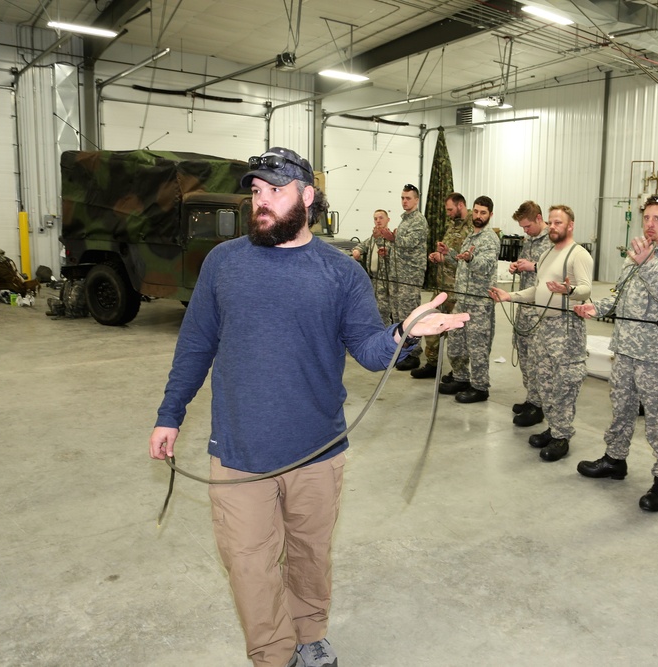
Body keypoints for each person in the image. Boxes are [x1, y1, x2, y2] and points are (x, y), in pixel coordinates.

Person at [148, 147, 468, 667]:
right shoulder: (223, 264)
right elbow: (195, 345)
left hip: (318, 451)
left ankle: (309, 630)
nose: (262, 202)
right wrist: (170, 414)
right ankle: (273, 654)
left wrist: (401, 334)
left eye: (275, 190)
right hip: (239, 450)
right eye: (256, 192)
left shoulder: (341, 274)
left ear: (308, 197)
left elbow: (367, 349)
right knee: (249, 565)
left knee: (309, 555)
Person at [574, 195, 658, 512]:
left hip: (654, 356)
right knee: (621, 409)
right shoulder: (635, 255)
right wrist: (595, 307)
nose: (650, 223)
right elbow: (619, 296)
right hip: (624, 349)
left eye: (657, 218)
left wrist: (647, 263)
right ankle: (615, 459)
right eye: (646, 217)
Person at [490, 205, 593, 461]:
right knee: (545, 381)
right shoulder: (547, 254)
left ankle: (562, 436)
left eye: (559, 222)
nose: (553, 226)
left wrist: (567, 290)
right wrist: (509, 296)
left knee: (564, 385)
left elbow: (586, 290)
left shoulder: (577, 254)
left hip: (566, 329)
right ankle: (553, 428)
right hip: (543, 328)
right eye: (551, 222)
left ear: (570, 226)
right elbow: (537, 291)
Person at [438, 196, 500, 403]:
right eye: (476, 211)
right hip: (462, 300)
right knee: (456, 342)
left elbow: (485, 266)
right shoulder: (471, 237)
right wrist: (449, 254)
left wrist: (471, 258)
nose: (478, 216)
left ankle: (480, 387)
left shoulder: (490, 239)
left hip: (479, 303)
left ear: (490, 215)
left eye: (483, 213)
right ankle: (461, 377)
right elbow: (462, 265)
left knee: (477, 347)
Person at [412, 193, 473, 380]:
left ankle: (459, 373)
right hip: (442, 287)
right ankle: (432, 364)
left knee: (456, 333)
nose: (448, 213)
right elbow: (447, 252)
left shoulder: (472, 229)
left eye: (450, 209)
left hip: (458, 288)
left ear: (461, 205)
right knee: (430, 320)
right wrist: (437, 255)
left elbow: (467, 260)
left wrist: (446, 256)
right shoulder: (452, 225)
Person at [505, 201, 553, 427]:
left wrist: (532, 267)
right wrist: (517, 266)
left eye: (527, 226)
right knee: (524, 354)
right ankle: (531, 398)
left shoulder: (552, 240)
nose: (525, 230)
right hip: (525, 305)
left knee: (537, 359)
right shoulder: (529, 241)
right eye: (522, 227)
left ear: (539, 219)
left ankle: (539, 405)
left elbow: (557, 270)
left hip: (541, 310)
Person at [376, 184, 428, 370]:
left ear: (416, 200)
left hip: (411, 276)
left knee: (410, 313)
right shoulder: (405, 221)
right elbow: (400, 248)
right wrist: (388, 250)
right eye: (402, 198)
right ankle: (402, 349)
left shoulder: (418, 221)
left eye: (408, 198)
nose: (404, 201)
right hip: (399, 275)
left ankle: (414, 353)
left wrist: (392, 239)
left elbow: (411, 243)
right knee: (399, 314)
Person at [351, 209, 394, 326]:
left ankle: (387, 336)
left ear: (388, 220)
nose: (378, 221)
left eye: (381, 218)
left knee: (383, 312)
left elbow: (391, 254)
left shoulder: (391, 239)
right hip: (373, 279)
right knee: (372, 310)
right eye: (375, 219)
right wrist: (357, 251)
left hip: (385, 281)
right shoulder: (372, 239)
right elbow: (361, 246)